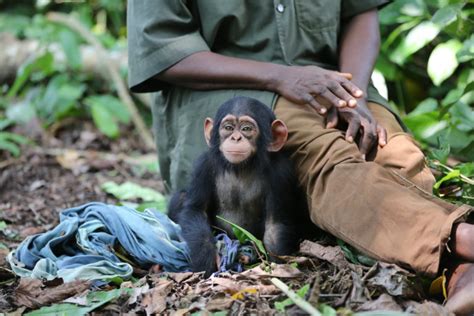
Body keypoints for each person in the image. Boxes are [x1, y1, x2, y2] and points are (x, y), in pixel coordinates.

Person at [127, 1, 474, 313]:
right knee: (329, 158)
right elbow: (164, 51)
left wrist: (355, 96)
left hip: (333, 82)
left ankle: (458, 274)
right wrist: (283, 77)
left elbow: (360, 11)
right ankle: (463, 241)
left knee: (395, 152)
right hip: (235, 94)